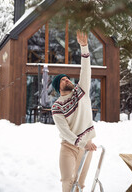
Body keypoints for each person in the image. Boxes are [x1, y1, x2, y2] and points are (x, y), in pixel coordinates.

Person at [51, 30, 97, 192]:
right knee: (67, 181)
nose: (67, 80)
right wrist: (82, 143)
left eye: (67, 78)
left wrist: (84, 47)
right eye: (63, 80)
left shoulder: (80, 91)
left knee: (80, 184)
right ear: (59, 87)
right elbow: (65, 131)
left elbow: (86, 70)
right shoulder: (57, 106)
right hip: (69, 147)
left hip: (86, 145)